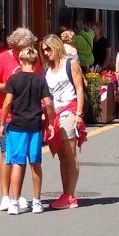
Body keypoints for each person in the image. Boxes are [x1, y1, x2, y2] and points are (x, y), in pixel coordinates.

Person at [0, 27, 38, 212]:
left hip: (28, 114)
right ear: (13, 46)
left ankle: (17, 194)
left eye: (29, 46)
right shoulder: (2, 58)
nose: (26, 51)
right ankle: (5, 196)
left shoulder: (32, 59)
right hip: (6, 114)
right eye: (22, 48)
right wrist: (11, 87)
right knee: (7, 153)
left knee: (22, 156)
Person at [0, 47, 54, 215]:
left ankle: (14, 202)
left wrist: (2, 123)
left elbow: (7, 102)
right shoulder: (40, 80)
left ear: (21, 61)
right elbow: (48, 104)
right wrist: (50, 123)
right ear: (36, 62)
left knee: (17, 163)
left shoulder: (13, 79)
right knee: (35, 163)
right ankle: (37, 201)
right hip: (35, 126)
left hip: (17, 126)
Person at [41, 34, 86, 209]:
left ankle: (71, 195)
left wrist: (79, 113)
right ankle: (65, 194)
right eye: (43, 50)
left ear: (57, 46)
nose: (46, 52)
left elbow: (80, 88)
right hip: (55, 114)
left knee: (70, 154)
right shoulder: (47, 68)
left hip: (69, 110)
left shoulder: (70, 63)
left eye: (48, 48)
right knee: (62, 156)